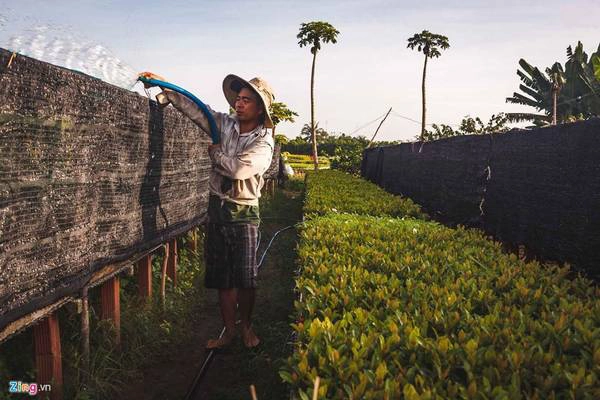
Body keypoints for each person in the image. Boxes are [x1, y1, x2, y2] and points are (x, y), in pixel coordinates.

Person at [147, 74, 275, 349]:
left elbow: (239, 170)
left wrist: (216, 154)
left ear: (259, 108)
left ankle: (247, 327)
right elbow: (197, 109)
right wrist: (166, 87)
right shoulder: (224, 124)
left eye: (246, 100)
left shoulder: (263, 142)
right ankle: (229, 331)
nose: (239, 104)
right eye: (238, 99)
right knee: (223, 277)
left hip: (243, 211)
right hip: (217, 208)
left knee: (246, 277)